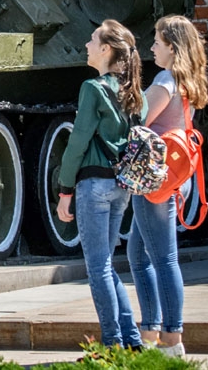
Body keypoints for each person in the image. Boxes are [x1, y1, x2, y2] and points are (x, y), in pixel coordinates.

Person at [56, 19, 145, 351]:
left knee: (97, 269)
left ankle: (111, 344)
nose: (87, 45)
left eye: (93, 40)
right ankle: (132, 341)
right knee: (106, 265)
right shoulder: (136, 95)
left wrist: (65, 190)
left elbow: (77, 142)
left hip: (92, 186)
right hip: (121, 188)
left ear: (106, 49)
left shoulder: (93, 89)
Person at [127, 15, 208, 358]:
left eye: (157, 42)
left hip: (154, 180)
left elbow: (138, 120)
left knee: (163, 258)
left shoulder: (165, 80)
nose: (152, 47)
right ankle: (150, 332)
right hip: (175, 178)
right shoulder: (186, 80)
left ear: (171, 48)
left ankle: (171, 339)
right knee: (138, 254)